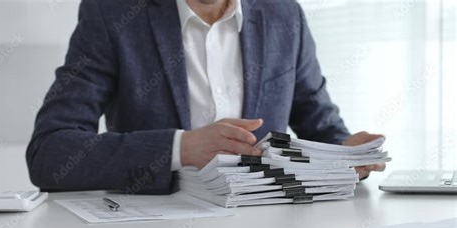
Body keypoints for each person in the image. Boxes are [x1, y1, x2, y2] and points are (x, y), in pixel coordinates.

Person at [26, 0, 386, 194]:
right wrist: (182, 148)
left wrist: (348, 153)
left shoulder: (283, 14)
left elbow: (321, 126)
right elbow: (50, 152)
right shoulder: (113, 13)